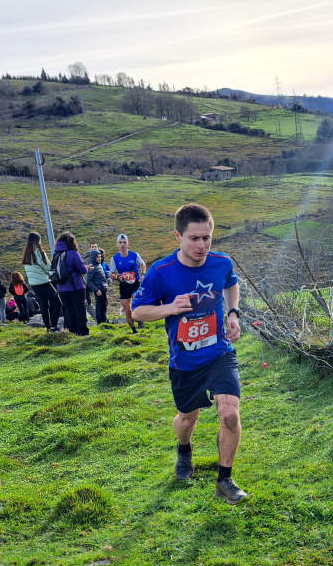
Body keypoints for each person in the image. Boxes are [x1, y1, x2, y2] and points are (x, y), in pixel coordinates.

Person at [131, 203, 247, 504]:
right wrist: (169, 308)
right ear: (178, 236)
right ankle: (184, 449)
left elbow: (231, 285)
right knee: (187, 418)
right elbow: (137, 311)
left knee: (230, 413)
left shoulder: (221, 262)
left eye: (207, 237)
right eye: (194, 238)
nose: (202, 245)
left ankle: (225, 480)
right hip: (185, 361)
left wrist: (233, 313)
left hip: (220, 353)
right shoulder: (161, 272)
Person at [22, 232, 60, 331]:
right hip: (44, 282)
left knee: (44, 306)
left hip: (34, 284)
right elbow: (46, 266)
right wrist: (52, 270)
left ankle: (48, 327)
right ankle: (54, 326)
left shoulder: (27, 253)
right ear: (37, 240)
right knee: (57, 303)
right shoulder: (38, 251)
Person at [53, 232, 89, 335]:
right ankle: (82, 332)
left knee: (68, 311)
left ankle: (70, 331)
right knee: (79, 310)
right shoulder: (73, 253)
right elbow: (82, 269)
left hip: (61, 288)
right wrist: (87, 268)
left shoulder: (56, 254)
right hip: (75, 287)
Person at [111, 232, 147, 333]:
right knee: (127, 309)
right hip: (124, 285)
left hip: (135, 284)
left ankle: (140, 320)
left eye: (124, 242)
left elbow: (143, 264)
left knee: (136, 303)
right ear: (117, 244)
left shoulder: (135, 255)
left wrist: (143, 274)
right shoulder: (114, 258)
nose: (122, 244)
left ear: (128, 244)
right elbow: (111, 274)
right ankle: (134, 330)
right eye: (120, 242)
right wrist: (117, 276)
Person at [86, 244, 109, 325]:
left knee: (104, 305)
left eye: (100, 257)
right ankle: (100, 322)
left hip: (103, 289)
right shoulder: (92, 267)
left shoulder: (99, 265)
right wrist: (96, 290)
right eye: (97, 257)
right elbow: (89, 281)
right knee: (99, 307)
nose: (99, 258)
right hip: (99, 290)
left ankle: (104, 320)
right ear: (93, 258)